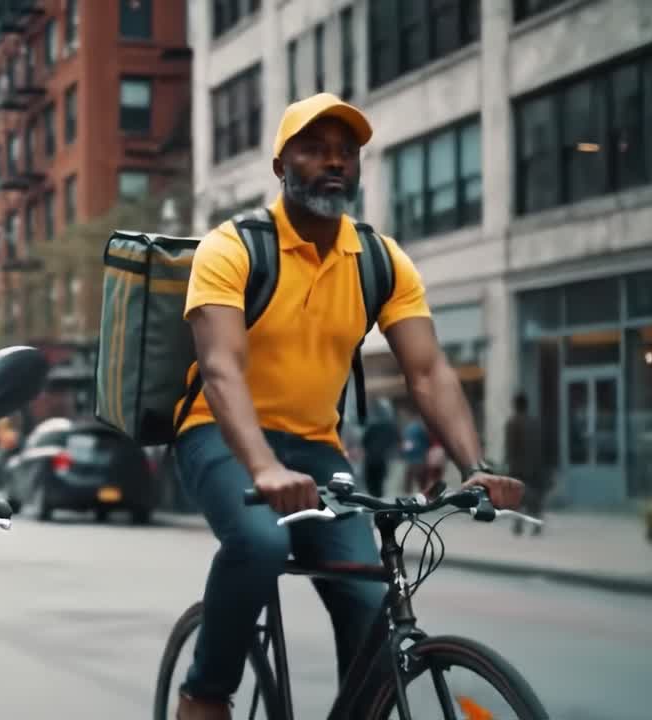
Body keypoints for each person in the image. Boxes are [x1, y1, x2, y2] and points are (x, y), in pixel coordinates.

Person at [171, 93, 524, 720]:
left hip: (316, 446)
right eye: (314, 149)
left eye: (346, 153)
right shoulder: (232, 248)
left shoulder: (381, 261)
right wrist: (263, 470)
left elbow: (428, 370)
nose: (334, 162)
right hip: (219, 435)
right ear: (281, 166)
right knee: (258, 543)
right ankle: (205, 692)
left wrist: (477, 464)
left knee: (369, 592)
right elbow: (222, 369)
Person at [504, 391, 545, 536]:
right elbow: (540, 445)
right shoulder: (534, 422)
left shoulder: (512, 423)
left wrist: (508, 464)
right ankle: (536, 525)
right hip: (534, 466)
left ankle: (518, 525)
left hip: (518, 467)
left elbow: (510, 447)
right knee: (534, 498)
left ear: (515, 405)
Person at [360, 399, 399, 497]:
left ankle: (373, 497)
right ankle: (378, 498)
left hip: (371, 457)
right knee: (379, 481)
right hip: (383, 458)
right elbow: (395, 440)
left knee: (371, 482)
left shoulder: (372, 425)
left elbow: (365, 441)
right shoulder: (390, 426)